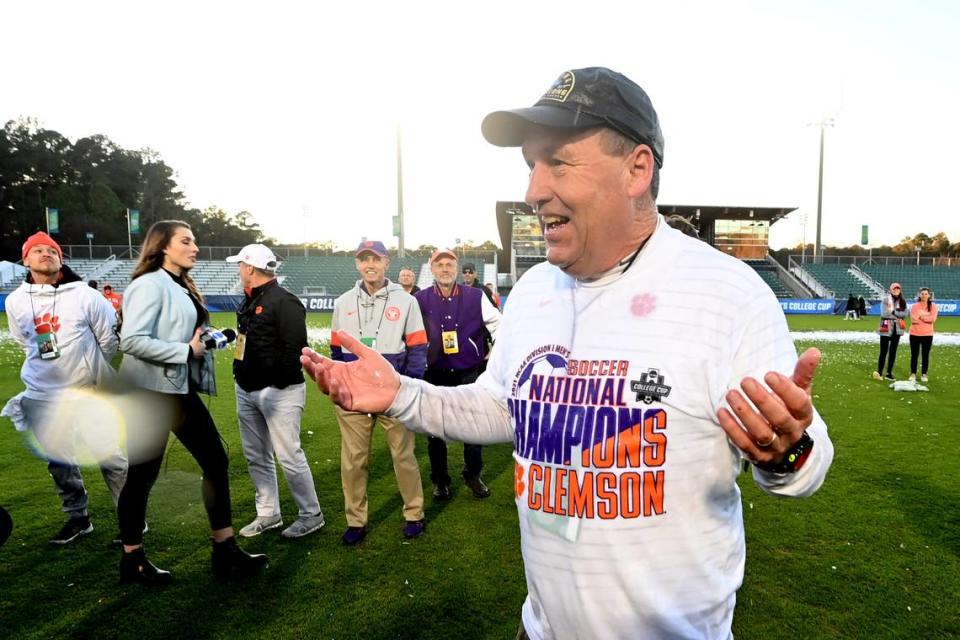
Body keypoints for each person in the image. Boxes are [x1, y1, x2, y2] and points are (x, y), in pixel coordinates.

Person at [301, 67, 833, 640]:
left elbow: (806, 465)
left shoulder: (725, 292)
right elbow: (505, 407)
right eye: (530, 164)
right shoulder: (534, 290)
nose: (533, 189)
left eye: (558, 161)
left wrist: (785, 450)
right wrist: (402, 395)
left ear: (637, 168)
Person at [116, 220, 266, 585]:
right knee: (142, 475)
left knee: (215, 459)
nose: (195, 247)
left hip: (175, 389)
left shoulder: (177, 284)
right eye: (186, 241)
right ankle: (132, 559)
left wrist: (205, 340)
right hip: (149, 393)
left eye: (195, 240)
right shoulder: (148, 284)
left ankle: (225, 549)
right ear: (163, 246)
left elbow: (179, 333)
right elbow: (131, 340)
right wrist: (185, 350)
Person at [2, 232, 127, 544]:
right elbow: (24, 340)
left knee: (109, 456)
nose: (46, 254)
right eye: (38, 250)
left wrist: (87, 370)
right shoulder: (16, 300)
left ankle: (131, 519)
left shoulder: (86, 295)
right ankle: (78, 517)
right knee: (59, 460)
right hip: (42, 394)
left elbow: (109, 339)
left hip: (86, 390)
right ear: (26, 259)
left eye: (52, 250)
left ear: (61, 259)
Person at [329, 240, 428, 545]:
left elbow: (417, 347)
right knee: (354, 460)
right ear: (357, 264)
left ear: (387, 262)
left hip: (393, 393)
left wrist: (406, 388)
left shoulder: (407, 301)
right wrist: (341, 386)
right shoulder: (343, 302)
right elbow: (335, 351)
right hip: (355, 395)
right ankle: (355, 520)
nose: (370, 265)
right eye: (364, 260)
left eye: (376, 259)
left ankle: (414, 513)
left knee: (403, 455)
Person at [226, 243, 325, 539]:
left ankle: (311, 514)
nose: (238, 270)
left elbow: (295, 346)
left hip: (277, 392)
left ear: (249, 268)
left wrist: (276, 384)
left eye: (240, 265)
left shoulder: (285, 301)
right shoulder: (249, 299)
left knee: (288, 455)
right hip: (247, 388)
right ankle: (268, 513)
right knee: (256, 455)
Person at [415, 249, 502, 500]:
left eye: (449, 264)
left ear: (456, 268)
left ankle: (472, 474)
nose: (445, 268)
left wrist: (493, 355)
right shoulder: (420, 299)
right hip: (434, 374)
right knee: (435, 431)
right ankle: (440, 480)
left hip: (468, 373)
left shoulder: (476, 295)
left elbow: (500, 325)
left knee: (473, 428)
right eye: (439, 264)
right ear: (432, 269)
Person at [873, 282, 907, 381]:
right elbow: (884, 314)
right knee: (883, 351)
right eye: (894, 288)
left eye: (898, 288)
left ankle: (889, 373)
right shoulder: (886, 300)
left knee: (893, 351)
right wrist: (897, 315)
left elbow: (905, 314)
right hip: (886, 327)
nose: (896, 290)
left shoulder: (903, 301)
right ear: (890, 290)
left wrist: (893, 312)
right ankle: (879, 372)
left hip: (898, 329)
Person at [908, 287, 938, 383]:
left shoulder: (933, 306)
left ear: (929, 295)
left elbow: (932, 319)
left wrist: (921, 316)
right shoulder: (915, 306)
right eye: (922, 294)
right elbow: (913, 320)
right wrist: (926, 317)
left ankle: (924, 374)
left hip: (927, 334)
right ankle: (913, 373)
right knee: (914, 355)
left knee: (925, 355)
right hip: (914, 333)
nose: (924, 295)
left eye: (926, 294)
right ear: (919, 295)